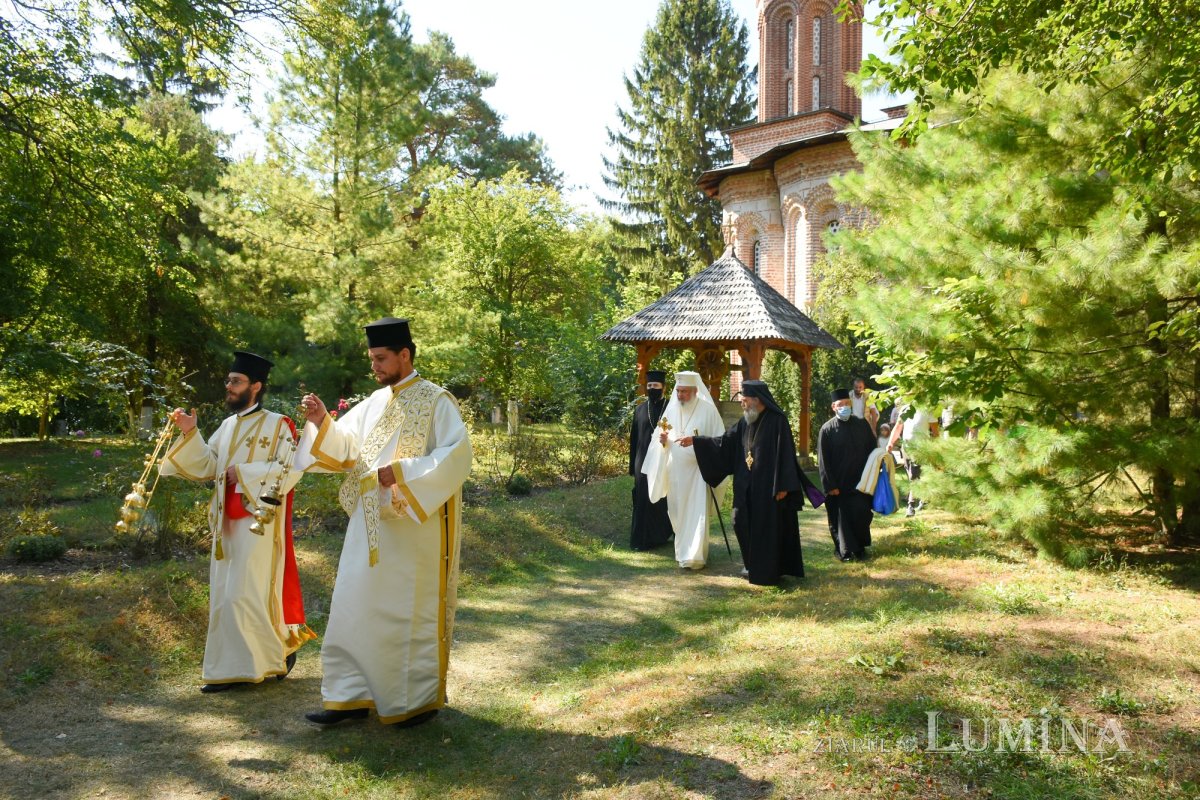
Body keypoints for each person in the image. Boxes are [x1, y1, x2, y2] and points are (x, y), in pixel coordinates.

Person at [295, 318, 472, 728]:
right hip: (367, 524)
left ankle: (411, 700)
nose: (374, 366)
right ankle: (349, 696)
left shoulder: (437, 400)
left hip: (413, 530)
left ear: (404, 355)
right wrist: (323, 422)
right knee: (352, 607)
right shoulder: (374, 402)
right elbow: (344, 450)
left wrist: (404, 473)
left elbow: (457, 456)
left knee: (400, 612)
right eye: (372, 358)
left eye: (380, 358)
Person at [162, 351, 315, 693]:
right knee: (224, 595)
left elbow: (292, 468)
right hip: (225, 524)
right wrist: (191, 433)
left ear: (256, 386)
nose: (228, 387)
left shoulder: (278, 424)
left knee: (244, 595)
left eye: (236, 381)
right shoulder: (227, 426)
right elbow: (208, 466)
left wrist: (244, 473)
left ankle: (256, 663)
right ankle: (238, 666)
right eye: (228, 380)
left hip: (258, 523)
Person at [680, 379, 807, 585]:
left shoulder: (777, 421)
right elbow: (725, 443)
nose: (742, 403)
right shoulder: (745, 422)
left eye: (745, 400)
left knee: (766, 528)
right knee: (740, 521)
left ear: (757, 400)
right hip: (745, 485)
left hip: (769, 487)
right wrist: (697, 441)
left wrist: (783, 485)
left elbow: (786, 455)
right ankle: (751, 563)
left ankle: (769, 570)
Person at [642, 371, 726, 569]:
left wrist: (697, 443)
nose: (680, 396)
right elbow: (658, 439)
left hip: (698, 473)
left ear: (695, 391)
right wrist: (662, 442)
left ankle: (695, 556)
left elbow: (720, 441)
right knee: (678, 515)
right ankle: (682, 554)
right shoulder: (671, 410)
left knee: (697, 513)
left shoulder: (708, 411)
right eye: (678, 391)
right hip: (675, 472)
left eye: (685, 392)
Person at [818, 388, 877, 561]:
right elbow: (823, 460)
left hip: (861, 482)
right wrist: (830, 485)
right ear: (833, 407)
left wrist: (877, 470)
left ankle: (859, 549)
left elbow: (872, 450)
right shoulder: (827, 429)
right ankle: (843, 551)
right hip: (839, 484)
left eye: (847, 404)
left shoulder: (861, 424)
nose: (845, 407)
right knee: (840, 518)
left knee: (861, 514)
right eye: (841, 404)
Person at [628, 370, 673, 551]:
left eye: (655, 386)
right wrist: (632, 465)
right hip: (642, 461)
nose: (652, 389)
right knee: (643, 499)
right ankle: (641, 539)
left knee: (661, 497)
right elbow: (634, 439)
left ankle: (660, 535)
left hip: (663, 459)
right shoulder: (640, 410)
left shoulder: (671, 408)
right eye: (649, 386)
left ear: (663, 387)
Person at [887, 403, 933, 516]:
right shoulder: (905, 409)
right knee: (913, 476)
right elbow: (898, 428)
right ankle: (923, 500)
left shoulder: (929, 409)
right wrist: (890, 443)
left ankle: (910, 505)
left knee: (914, 476)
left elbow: (935, 431)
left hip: (921, 448)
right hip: (906, 448)